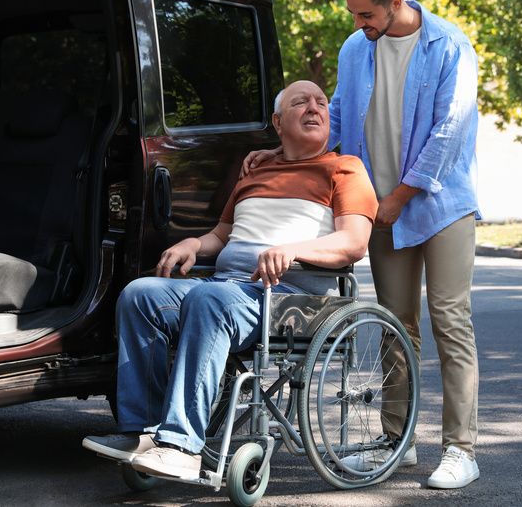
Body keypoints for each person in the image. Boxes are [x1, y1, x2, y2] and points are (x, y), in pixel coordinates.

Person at [243, 0, 481, 489]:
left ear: (395, 1)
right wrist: (277, 154)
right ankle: (400, 443)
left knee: (449, 319)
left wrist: (397, 196)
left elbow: (450, 133)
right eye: (353, 14)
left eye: (365, 15)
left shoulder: (449, 46)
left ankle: (461, 449)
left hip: (440, 203)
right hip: (382, 207)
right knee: (397, 327)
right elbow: (342, 118)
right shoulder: (356, 48)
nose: (357, 24)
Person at [82, 80, 378, 480]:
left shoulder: (345, 169)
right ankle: (143, 433)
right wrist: (192, 243)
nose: (315, 108)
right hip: (228, 287)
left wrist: (294, 249)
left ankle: (183, 445)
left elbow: (353, 243)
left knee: (210, 301)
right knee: (140, 294)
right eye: (301, 102)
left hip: (288, 297)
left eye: (321, 103)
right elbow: (221, 236)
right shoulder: (255, 168)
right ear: (277, 121)